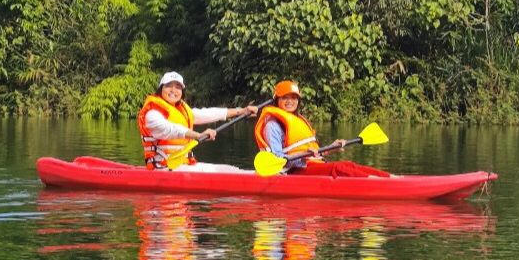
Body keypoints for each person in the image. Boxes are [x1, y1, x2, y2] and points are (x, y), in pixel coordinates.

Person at [253, 80, 384, 177]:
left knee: (348, 164)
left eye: (294, 98)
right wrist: (303, 157)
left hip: (309, 165)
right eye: (285, 98)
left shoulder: (299, 120)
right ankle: (377, 183)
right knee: (338, 168)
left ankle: (389, 178)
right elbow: (278, 159)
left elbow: (313, 152)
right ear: (277, 101)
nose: (290, 101)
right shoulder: (272, 126)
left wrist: (332, 147)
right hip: (293, 172)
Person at [137, 72, 257, 170]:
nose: (173, 90)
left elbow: (207, 113)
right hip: (163, 167)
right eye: (168, 85)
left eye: (178, 87)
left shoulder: (182, 111)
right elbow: (171, 129)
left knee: (230, 170)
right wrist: (198, 135)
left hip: (183, 166)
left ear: (182, 92)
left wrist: (242, 111)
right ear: (161, 89)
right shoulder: (152, 114)